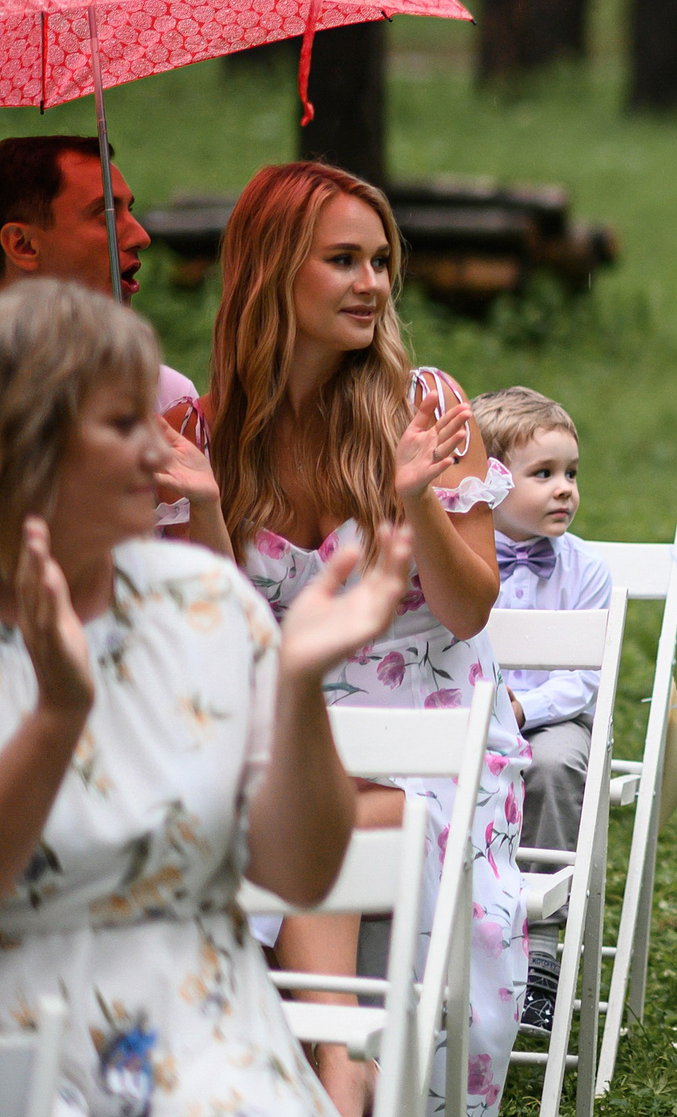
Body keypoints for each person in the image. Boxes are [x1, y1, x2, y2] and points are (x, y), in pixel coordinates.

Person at [0, 278, 410, 1117]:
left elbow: (300, 871)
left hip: (212, 1045)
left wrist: (298, 687)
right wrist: (58, 717)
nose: (161, 450)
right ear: (24, 443)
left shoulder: (202, 601)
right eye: (122, 424)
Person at [172, 161, 529, 1117]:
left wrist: (415, 494)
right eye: (342, 260)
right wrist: (205, 508)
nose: (372, 282)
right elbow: (227, 628)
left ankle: (333, 1071)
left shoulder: (429, 409)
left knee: (277, 831)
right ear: (271, 271)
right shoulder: (215, 438)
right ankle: (335, 1068)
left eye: (379, 260)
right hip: (298, 738)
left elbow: (469, 610)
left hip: (433, 747)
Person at [0, 134, 226, 554]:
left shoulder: (164, 396)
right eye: (104, 214)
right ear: (23, 244)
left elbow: (195, 594)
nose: (139, 235)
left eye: (131, 210)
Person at [472, 385, 613, 1037]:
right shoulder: (460, 560)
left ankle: (545, 955)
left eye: (572, 473)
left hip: (550, 719)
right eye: (544, 473)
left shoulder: (586, 569)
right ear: (492, 482)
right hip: (473, 715)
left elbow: (581, 683)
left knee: (555, 764)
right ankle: (461, 935)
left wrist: (523, 707)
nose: (565, 489)